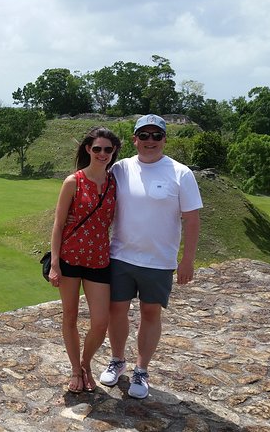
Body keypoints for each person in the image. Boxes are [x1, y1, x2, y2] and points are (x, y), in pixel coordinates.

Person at [98, 114, 202, 399]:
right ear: (135, 139)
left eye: (157, 135)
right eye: (144, 135)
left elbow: (192, 219)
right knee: (116, 310)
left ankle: (141, 370)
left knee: (150, 312)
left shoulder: (181, 173)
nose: (150, 141)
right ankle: (118, 360)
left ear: (165, 139)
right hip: (121, 255)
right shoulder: (120, 168)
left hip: (158, 259)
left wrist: (187, 260)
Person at [48, 127, 121, 393]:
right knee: (70, 315)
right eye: (98, 148)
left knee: (100, 322)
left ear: (114, 152)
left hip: (99, 258)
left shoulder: (115, 182)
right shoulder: (73, 182)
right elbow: (58, 225)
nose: (103, 154)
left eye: (108, 149)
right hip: (70, 257)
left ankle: (86, 363)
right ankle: (75, 370)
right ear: (89, 149)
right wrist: (54, 264)